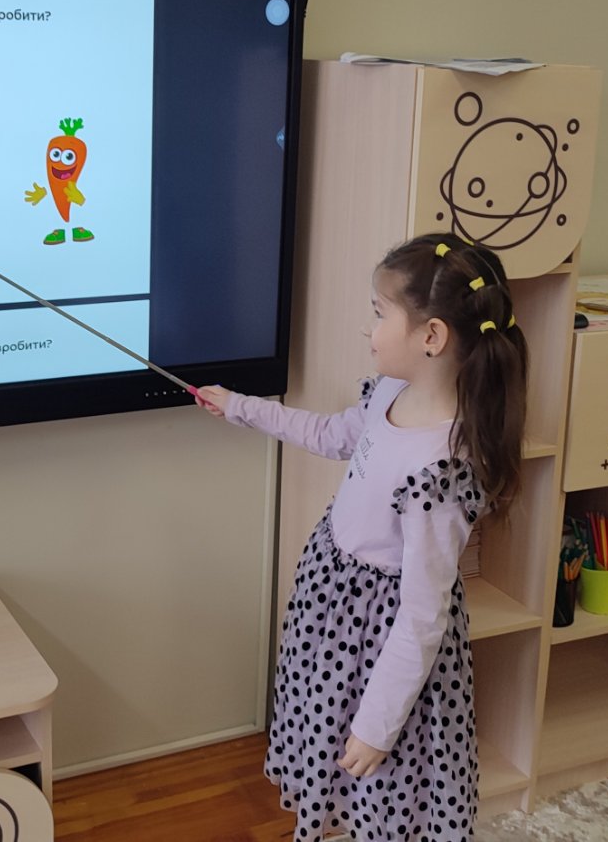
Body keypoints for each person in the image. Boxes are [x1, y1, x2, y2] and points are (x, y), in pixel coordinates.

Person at [196, 233, 529, 841]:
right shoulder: (391, 393)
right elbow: (330, 435)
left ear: (431, 337)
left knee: (376, 781)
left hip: (381, 640)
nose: (368, 330)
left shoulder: (441, 470)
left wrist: (378, 727)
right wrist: (240, 407)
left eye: (380, 315)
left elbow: (422, 617)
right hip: (332, 614)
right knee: (326, 751)